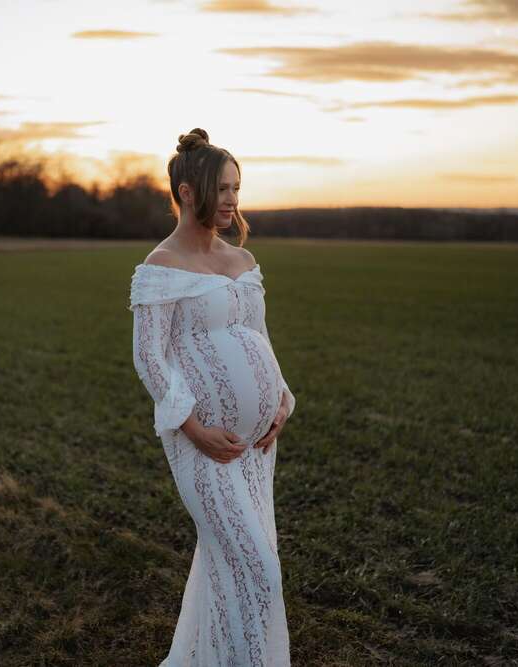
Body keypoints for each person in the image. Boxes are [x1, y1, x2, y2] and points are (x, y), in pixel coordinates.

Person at [128, 128, 296, 666]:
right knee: (258, 572)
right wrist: (193, 428)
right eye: (222, 189)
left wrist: (280, 407)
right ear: (186, 192)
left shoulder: (242, 263)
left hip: (255, 448)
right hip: (203, 446)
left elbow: (260, 341)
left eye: (236, 189)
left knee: (232, 567)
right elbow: (150, 360)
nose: (232, 200)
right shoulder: (160, 268)